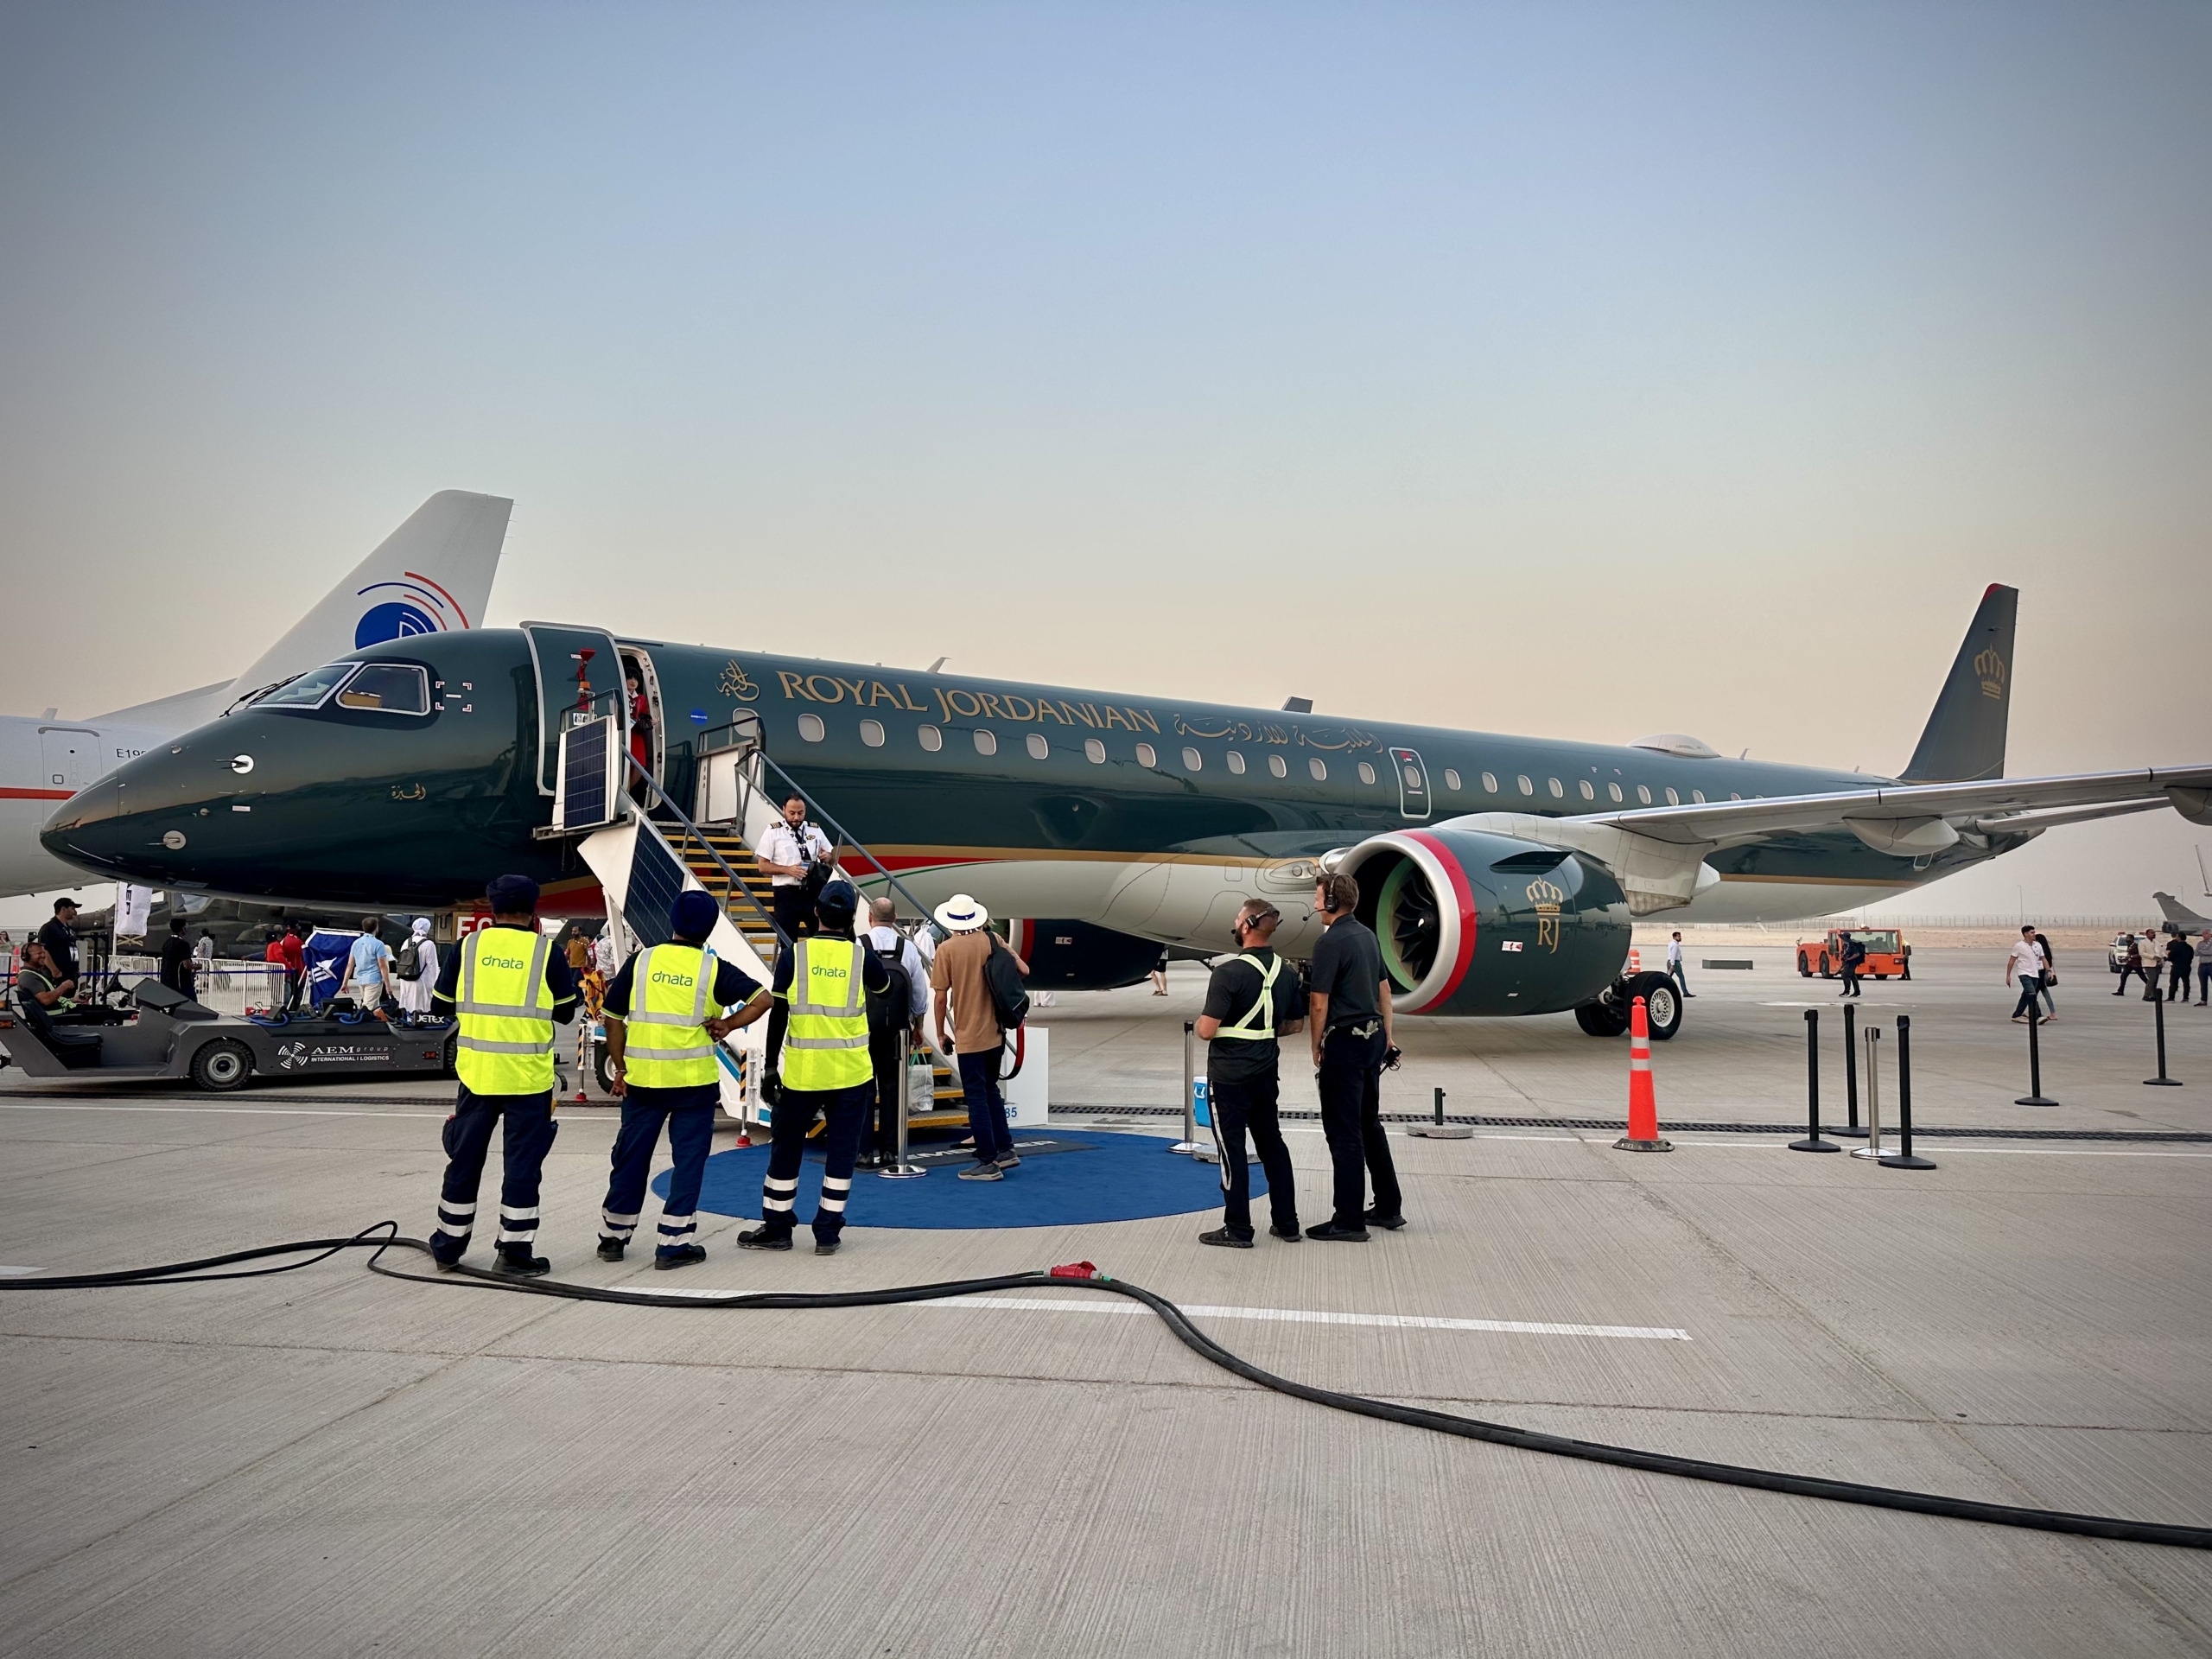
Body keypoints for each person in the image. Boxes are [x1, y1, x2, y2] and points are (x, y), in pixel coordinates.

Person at [597, 890, 772, 1268]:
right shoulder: (713, 969)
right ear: (708, 929)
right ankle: (673, 1244)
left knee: (630, 1159)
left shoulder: (641, 961)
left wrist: (620, 1069)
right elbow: (764, 999)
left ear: (672, 923)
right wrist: (727, 1024)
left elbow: (612, 1017)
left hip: (642, 1083)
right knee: (688, 1162)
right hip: (693, 1086)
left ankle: (613, 1237)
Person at [426, 877, 578, 1275]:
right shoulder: (548, 951)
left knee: (464, 1161)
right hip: (528, 1080)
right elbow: (565, 1010)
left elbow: (441, 1003)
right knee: (523, 1167)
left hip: (477, 1076)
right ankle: (513, 1253)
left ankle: (447, 1246)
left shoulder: (469, 947)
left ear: (492, 910)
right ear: (534, 910)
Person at [739, 880, 888, 1255]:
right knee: (841, 1153)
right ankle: (827, 1232)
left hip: (803, 1075)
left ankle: (777, 1228)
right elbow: (884, 988)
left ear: (816, 912)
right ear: (852, 918)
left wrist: (771, 1065)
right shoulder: (862, 957)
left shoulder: (794, 956)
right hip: (852, 1074)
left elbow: (779, 1014)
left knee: (786, 1150)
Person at [1195, 898, 1306, 1249]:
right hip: (1264, 1073)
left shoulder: (1228, 972)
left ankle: (1238, 1228)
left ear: (1246, 926)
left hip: (1229, 1077)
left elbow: (1206, 1030)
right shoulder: (1286, 972)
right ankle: (1287, 1223)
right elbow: (1294, 1025)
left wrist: (1203, 1023)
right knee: (1272, 1145)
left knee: (1232, 1151)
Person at [1306, 872, 1402, 1241]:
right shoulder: (1367, 937)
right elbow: (1384, 991)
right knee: (1368, 1124)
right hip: (1373, 1040)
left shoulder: (1329, 943)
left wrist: (1316, 1044)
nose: (1315, 905)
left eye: (1318, 898)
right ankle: (1389, 1207)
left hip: (1344, 1043)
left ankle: (1348, 1219)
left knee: (1344, 1133)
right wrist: (1389, 1039)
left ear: (1331, 901)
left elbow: (1318, 1002)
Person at [929, 893, 1028, 1180]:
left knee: (976, 1098)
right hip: (995, 1032)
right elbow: (1023, 969)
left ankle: (988, 1162)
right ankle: (1005, 1150)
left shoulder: (946, 950)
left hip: (968, 1035)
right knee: (990, 1090)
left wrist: (941, 1033)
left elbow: (939, 999)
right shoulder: (993, 941)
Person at [859, 896, 929, 1169]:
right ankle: (890, 1153)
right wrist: (918, 1027)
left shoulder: (859, 946)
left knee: (863, 1090)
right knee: (892, 1091)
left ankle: (863, 1153)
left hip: (863, 1030)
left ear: (870, 917)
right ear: (895, 918)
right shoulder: (908, 949)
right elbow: (920, 994)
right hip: (897, 1032)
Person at [757, 795, 834, 942]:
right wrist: (787, 870)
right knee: (787, 941)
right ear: (784, 810)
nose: (796, 817)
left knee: (822, 938)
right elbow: (762, 866)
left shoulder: (815, 830)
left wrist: (828, 857)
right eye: (792, 813)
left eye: (801, 813)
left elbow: (832, 858)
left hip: (812, 891)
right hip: (787, 893)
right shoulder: (773, 831)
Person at [10, 938, 98, 1066]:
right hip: (55, 1017)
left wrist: (74, 999)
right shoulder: (29, 977)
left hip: (57, 1013)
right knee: (109, 1015)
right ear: (26, 956)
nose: (43, 955)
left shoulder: (36, 974)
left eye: (43, 953)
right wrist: (64, 986)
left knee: (104, 1010)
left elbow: (50, 1000)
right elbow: (46, 1000)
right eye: (38, 953)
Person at [344, 916, 397, 1014]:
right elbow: (383, 966)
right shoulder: (378, 944)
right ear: (376, 928)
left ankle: (382, 1025)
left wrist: (345, 982)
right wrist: (388, 986)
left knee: (374, 1007)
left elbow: (350, 965)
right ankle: (361, 1027)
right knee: (367, 1008)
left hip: (360, 979)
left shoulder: (356, 943)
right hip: (374, 980)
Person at [393, 918, 439, 1018]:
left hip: (406, 980)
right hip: (421, 982)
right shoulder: (429, 944)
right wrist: (437, 985)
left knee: (407, 1005)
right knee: (421, 1009)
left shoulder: (406, 942)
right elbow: (433, 967)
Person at [2005, 925, 2047, 1024]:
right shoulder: (2019, 946)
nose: (2034, 934)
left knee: (2026, 995)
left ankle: (2017, 1015)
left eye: (2034, 932)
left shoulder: (2037, 945)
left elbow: (2043, 958)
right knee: (2031, 994)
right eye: (2032, 932)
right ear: (2025, 934)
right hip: (2024, 973)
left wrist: (2049, 971)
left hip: (2035, 974)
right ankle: (2038, 1015)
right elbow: (2012, 960)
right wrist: (2008, 975)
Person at [39, 897, 81, 985]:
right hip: (59, 974)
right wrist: (55, 971)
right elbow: (44, 950)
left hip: (71, 973)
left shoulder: (68, 928)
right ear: (63, 909)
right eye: (72, 909)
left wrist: (76, 970)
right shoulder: (49, 928)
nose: (75, 912)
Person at [158, 915, 197, 999]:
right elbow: (187, 965)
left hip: (167, 981)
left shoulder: (167, 943)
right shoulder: (183, 944)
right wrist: (197, 966)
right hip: (181, 983)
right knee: (192, 1005)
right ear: (182, 929)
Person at [277, 922, 306, 1011]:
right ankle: (294, 1011)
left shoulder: (284, 941)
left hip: (289, 972)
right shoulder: (297, 942)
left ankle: (290, 1010)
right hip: (299, 971)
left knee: (291, 994)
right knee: (297, 995)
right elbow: (305, 955)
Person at [2114, 931, 2152, 996]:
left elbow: (2140, 954)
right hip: (2130, 964)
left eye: (2128, 938)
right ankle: (2120, 991)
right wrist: (2124, 959)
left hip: (2136, 964)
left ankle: (2152, 989)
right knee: (2123, 976)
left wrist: (2132, 957)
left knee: (2143, 978)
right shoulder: (2129, 946)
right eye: (2126, 938)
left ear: (2132, 939)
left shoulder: (2136, 946)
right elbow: (2129, 955)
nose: (2126, 939)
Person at [2033, 930, 2058, 1020]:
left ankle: (2036, 1012)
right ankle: (2053, 1013)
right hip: (2046, 974)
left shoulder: (2040, 951)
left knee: (2031, 994)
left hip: (2041, 975)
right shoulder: (2047, 952)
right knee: (2044, 994)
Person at [2165, 929, 2194, 1002]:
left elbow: (2171, 956)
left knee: (2173, 982)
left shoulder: (2175, 947)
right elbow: (2191, 957)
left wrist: (2169, 959)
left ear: (2179, 937)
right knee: (2186, 982)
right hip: (2186, 966)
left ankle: (2171, 997)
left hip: (2177, 966)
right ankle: (2186, 997)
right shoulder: (2189, 947)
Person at [1836, 931, 1866, 998]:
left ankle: (1847, 992)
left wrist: (1849, 959)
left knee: (1845, 975)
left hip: (1851, 963)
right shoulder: (1847, 945)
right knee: (1853, 977)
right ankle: (1857, 992)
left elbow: (1857, 954)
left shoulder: (1852, 945)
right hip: (1848, 962)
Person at [1666, 931, 1693, 998]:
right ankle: (1685, 992)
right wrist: (1673, 965)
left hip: (1669, 961)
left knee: (1667, 977)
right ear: (1675, 937)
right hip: (1675, 963)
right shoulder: (1675, 945)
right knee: (1681, 977)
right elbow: (1673, 955)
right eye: (1678, 936)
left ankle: (1664, 989)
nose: (1680, 938)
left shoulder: (1671, 943)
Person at [2195, 929, 2212, 1007]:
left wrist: (2202, 951)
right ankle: (2203, 1000)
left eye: (2207, 934)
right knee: (2203, 984)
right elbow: (2196, 953)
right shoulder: (2200, 943)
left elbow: (2210, 952)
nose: (2205, 936)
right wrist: (2204, 951)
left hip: (2210, 964)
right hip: (2202, 965)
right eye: (2204, 934)